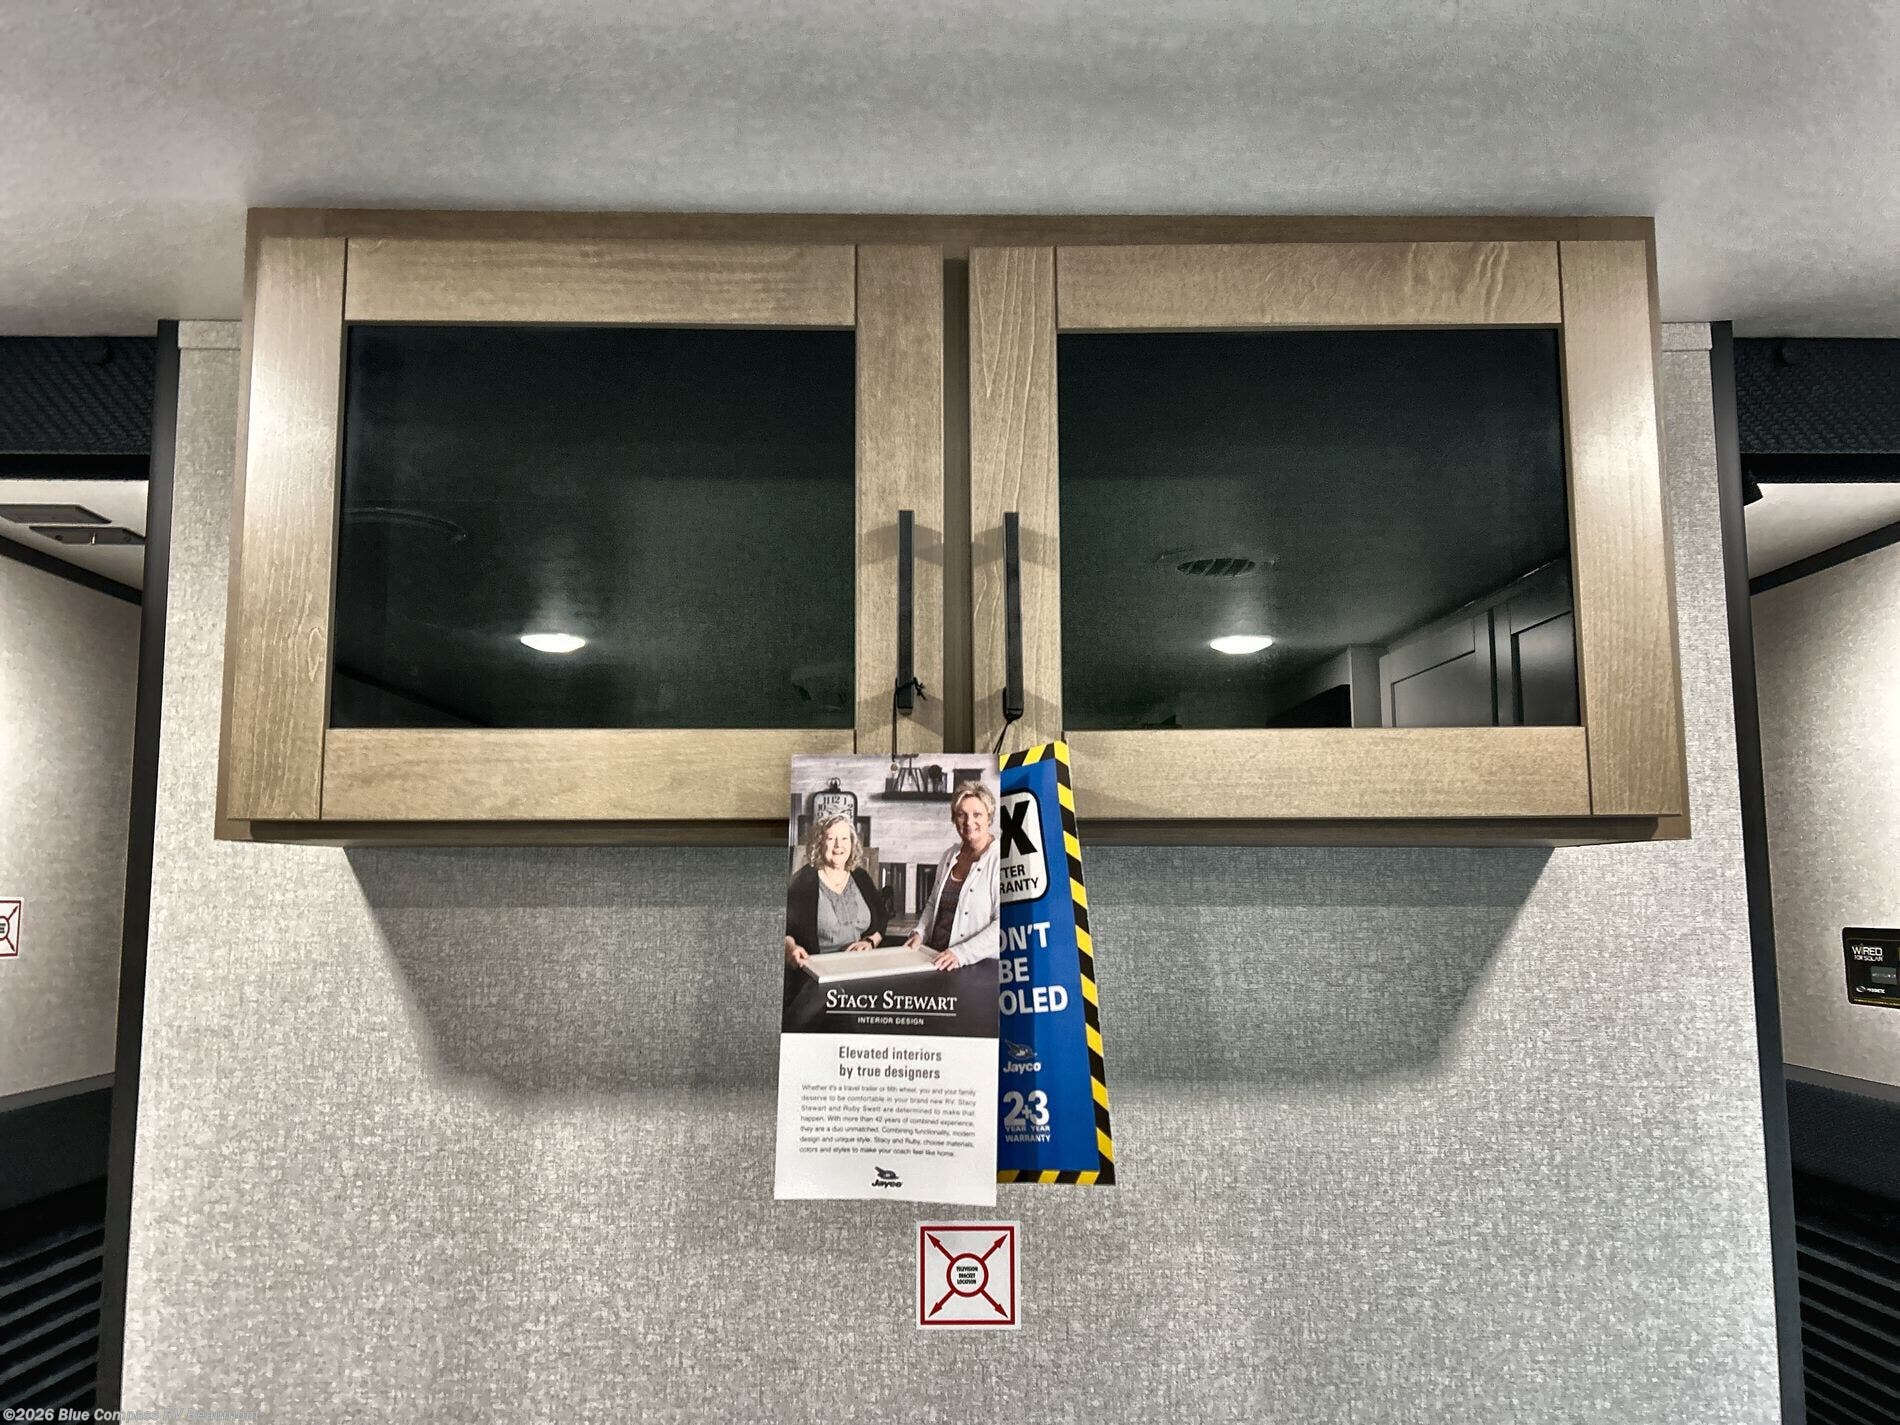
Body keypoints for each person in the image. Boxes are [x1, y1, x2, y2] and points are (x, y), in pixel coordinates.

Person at [905, 780, 1001, 971]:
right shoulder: (949, 855)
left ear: (989, 817)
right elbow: (933, 903)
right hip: (936, 958)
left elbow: (1004, 923)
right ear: (954, 818)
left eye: (977, 814)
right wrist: (919, 933)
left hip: (977, 967)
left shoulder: (1001, 859)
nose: (969, 822)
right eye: (961, 814)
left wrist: (961, 953)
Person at [784, 814, 887, 968]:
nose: (839, 845)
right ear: (819, 843)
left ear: (852, 843)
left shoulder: (861, 876)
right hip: (819, 969)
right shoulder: (803, 881)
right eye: (831, 838)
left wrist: (870, 942)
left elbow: (882, 916)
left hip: (861, 966)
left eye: (844, 838)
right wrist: (791, 948)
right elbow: (782, 927)